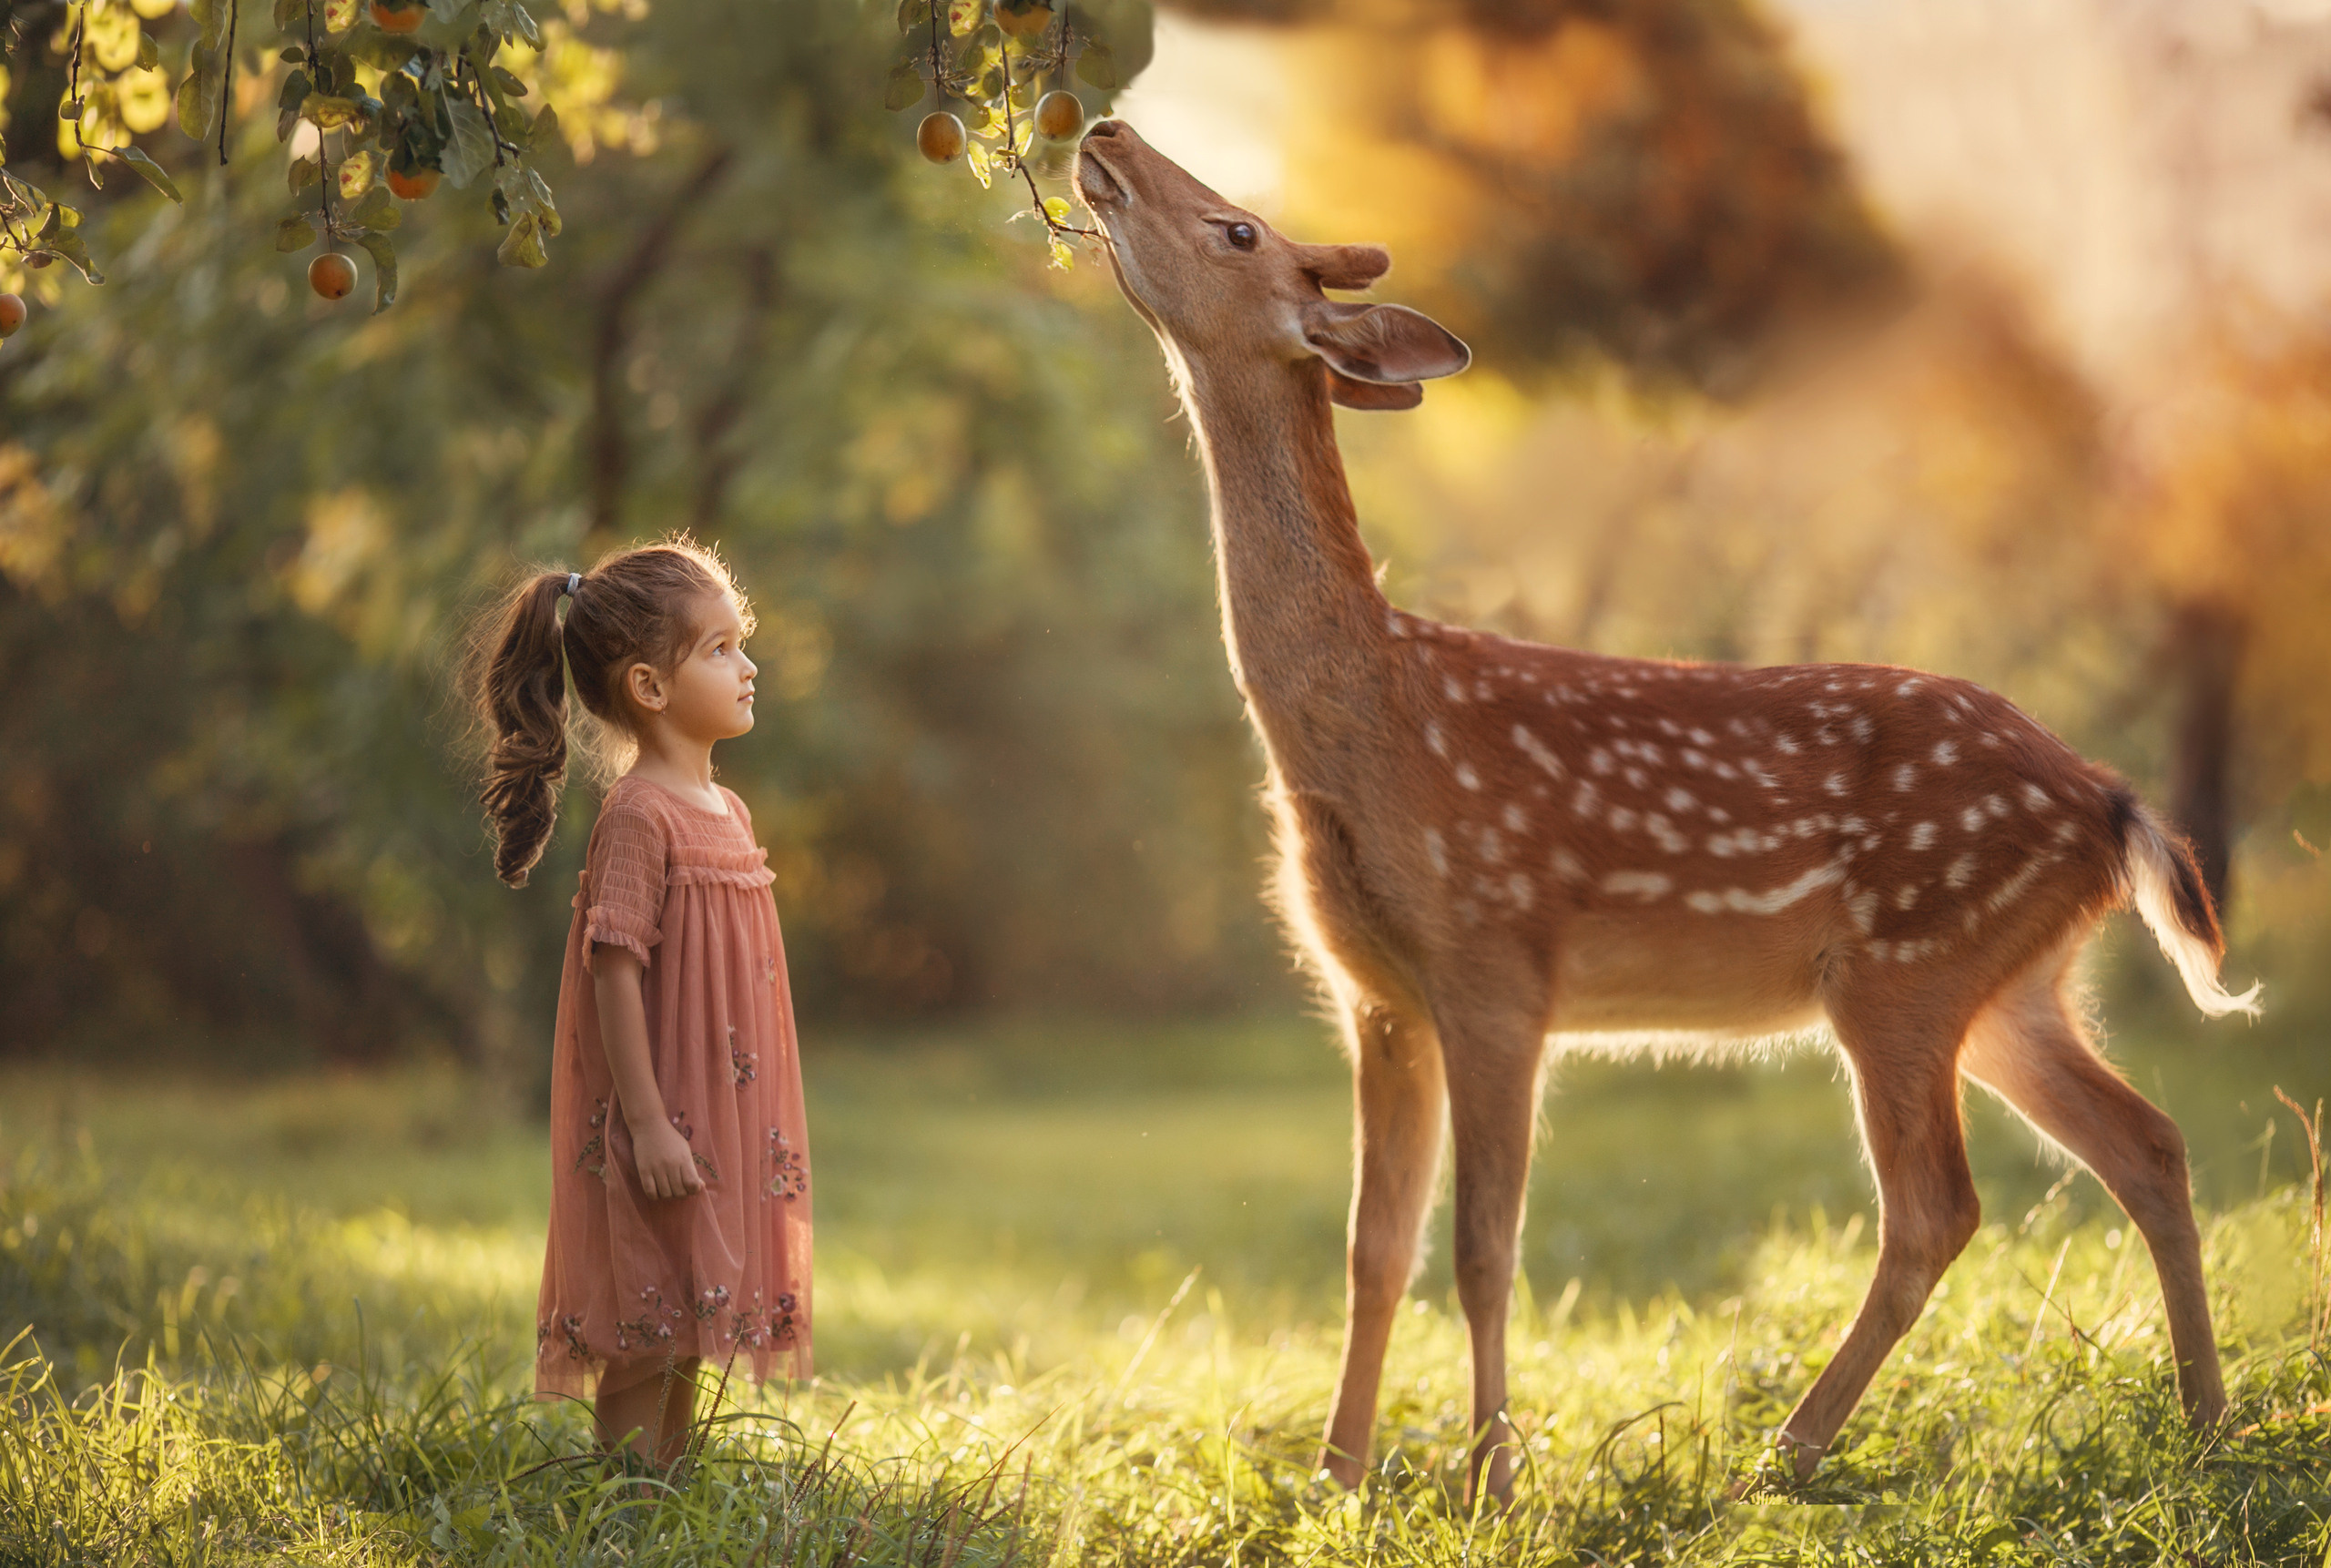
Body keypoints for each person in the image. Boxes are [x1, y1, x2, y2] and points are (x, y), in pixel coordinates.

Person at [468, 536, 810, 1467]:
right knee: (644, 1309)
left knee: (692, 1306)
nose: (748, 667)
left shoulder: (726, 811)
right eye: (721, 650)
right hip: (660, 1110)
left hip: (722, 1108)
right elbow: (612, 969)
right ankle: (620, 1502)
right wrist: (650, 1124)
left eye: (743, 646)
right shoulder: (638, 817)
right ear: (649, 688)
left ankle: (671, 1492)